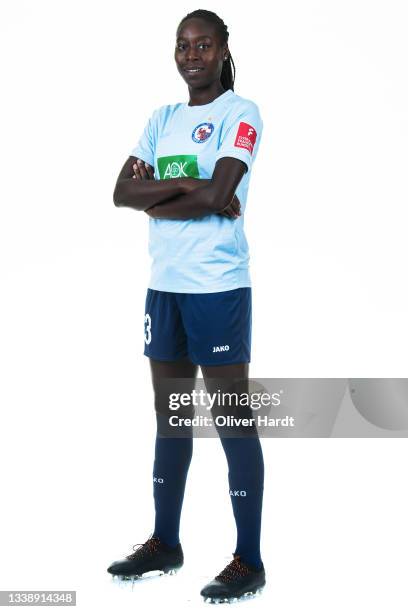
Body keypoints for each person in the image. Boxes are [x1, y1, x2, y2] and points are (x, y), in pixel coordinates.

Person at [107, 9, 265, 604]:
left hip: (218, 289)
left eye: (203, 44)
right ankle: (165, 543)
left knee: (231, 421)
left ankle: (249, 559)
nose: (191, 54)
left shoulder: (240, 114)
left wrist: (164, 197)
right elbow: (121, 192)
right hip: (165, 287)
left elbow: (224, 191)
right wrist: (191, 194)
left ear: (224, 50)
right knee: (171, 417)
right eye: (182, 45)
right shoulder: (161, 119)